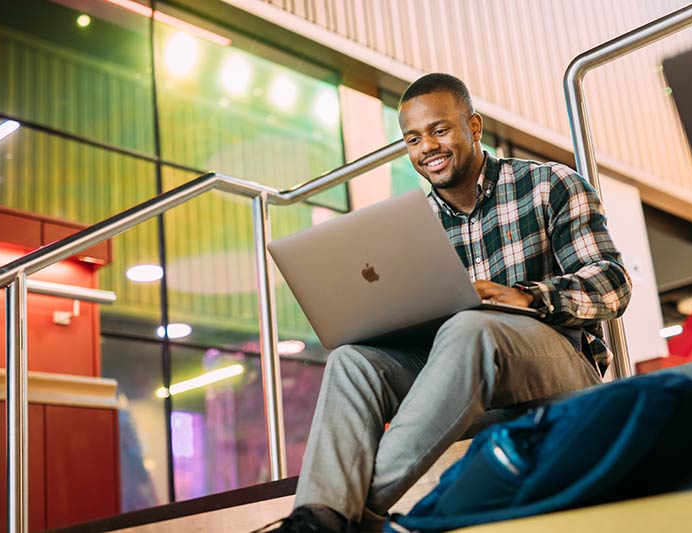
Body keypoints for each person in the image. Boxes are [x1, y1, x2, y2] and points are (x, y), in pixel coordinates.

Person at [258, 73, 632, 532]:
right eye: (413, 139)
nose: (426, 148)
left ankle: (341, 519)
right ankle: (319, 511)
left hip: (560, 368)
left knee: (469, 327)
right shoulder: (412, 227)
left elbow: (613, 284)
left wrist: (527, 297)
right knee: (352, 360)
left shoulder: (549, 184)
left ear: (473, 126)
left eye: (439, 130)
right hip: (470, 384)